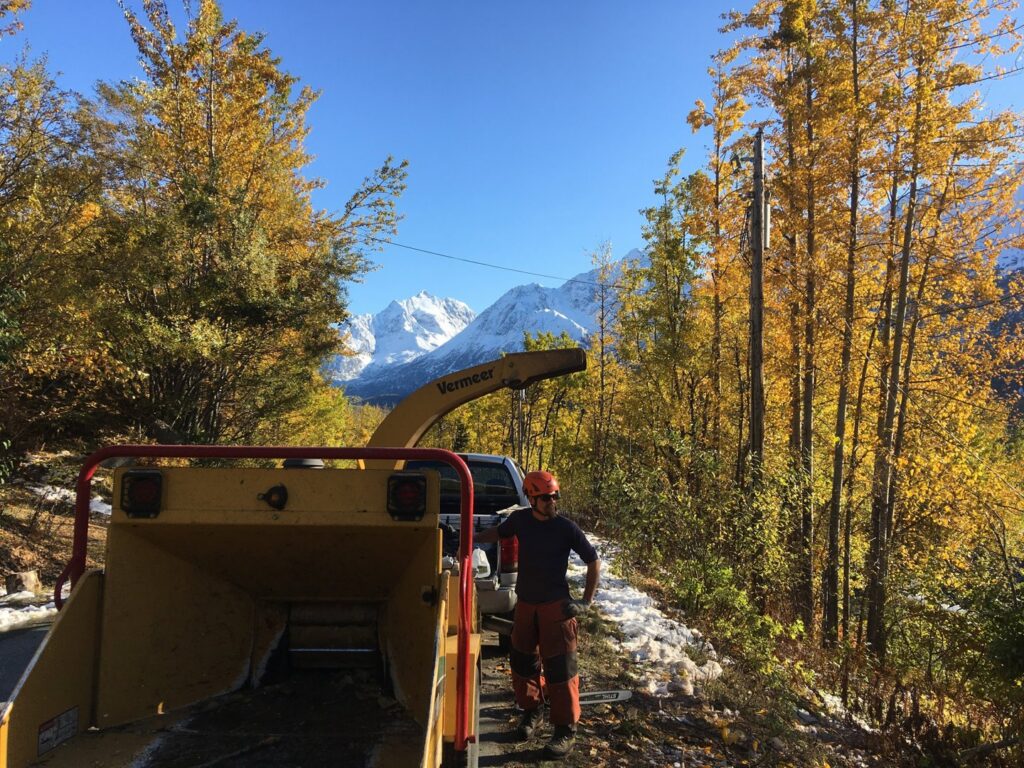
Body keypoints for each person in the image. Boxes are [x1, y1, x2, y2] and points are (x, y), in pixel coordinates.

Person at [476, 470, 601, 759]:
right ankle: (531, 715)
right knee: (522, 662)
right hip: (525, 606)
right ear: (532, 498)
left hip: (555, 609)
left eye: (556, 495)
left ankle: (565, 731)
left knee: (561, 671)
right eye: (547, 497)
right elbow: (501, 532)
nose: (553, 501)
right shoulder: (520, 520)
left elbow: (593, 561)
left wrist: (586, 602)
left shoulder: (565, 528)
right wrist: (474, 537)